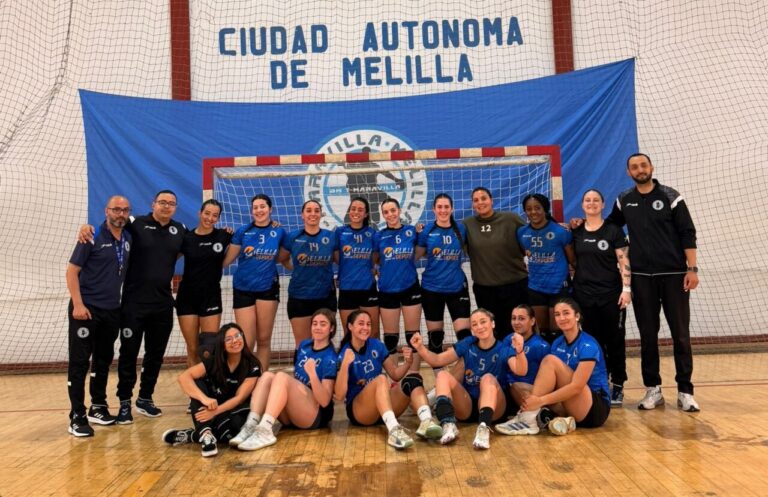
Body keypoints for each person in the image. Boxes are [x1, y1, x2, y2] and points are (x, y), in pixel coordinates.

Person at [80, 190, 186, 422]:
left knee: (155, 354)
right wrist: (87, 227)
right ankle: (125, 402)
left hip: (162, 304)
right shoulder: (135, 222)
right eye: (162, 202)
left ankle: (145, 398)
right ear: (153, 204)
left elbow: (189, 248)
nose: (166, 206)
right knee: (128, 354)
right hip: (133, 305)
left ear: (175, 207)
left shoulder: (180, 230)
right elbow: (110, 224)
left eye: (171, 203)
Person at [606, 153, 700, 412]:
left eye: (643, 165)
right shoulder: (624, 199)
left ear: (651, 167)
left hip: (674, 276)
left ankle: (685, 391)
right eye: (634, 167)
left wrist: (692, 269)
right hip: (641, 278)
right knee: (648, 336)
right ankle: (653, 389)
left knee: (681, 335)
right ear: (629, 172)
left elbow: (687, 233)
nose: (640, 170)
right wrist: (582, 223)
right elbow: (610, 227)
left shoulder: (671, 196)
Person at [410, 308, 526, 450]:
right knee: (442, 375)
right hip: (467, 406)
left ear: (492, 324)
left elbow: (521, 370)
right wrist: (420, 347)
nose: (479, 327)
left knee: (487, 378)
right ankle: (448, 424)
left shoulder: (503, 348)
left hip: (495, 409)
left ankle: (483, 429)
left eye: (483, 322)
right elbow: (437, 360)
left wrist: (520, 350)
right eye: (474, 324)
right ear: (472, 329)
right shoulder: (468, 344)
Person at [65, 195, 132, 436]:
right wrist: (78, 305)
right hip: (86, 310)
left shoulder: (128, 238)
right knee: (80, 362)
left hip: (111, 311)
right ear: (106, 211)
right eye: (116, 209)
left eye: (125, 210)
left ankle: (98, 407)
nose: (120, 214)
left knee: (103, 360)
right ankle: (76, 415)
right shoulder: (90, 236)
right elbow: (71, 272)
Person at [497, 298, 611, 436]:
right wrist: (534, 399)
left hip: (593, 409)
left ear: (577, 316)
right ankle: (557, 419)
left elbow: (577, 387)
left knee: (550, 361)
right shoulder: (557, 343)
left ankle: (529, 418)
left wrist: (540, 401)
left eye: (566, 313)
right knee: (518, 387)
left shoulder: (588, 344)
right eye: (557, 314)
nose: (561, 318)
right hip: (569, 402)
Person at [229, 308, 339, 451]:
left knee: (281, 376)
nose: (317, 327)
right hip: (295, 411)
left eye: (323, 324)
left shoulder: (330, 357)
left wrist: (312, 374)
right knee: (267, 376)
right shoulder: (304, 346)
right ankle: (251, 424)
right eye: (315, 323)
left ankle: (265, 430)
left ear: (331, 328)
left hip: (315, 416)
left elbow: (324, 401)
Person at [334, 309, 442, 450]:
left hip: (383, 409)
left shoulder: (376, 345)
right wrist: (344, 365)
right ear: (350, 326)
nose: (365, 328)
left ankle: (426, 421)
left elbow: (395, 374)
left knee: (413, 378)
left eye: (368, 324)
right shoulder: (344, 353)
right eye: (361, 324)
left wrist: (408, 363)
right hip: (360, 412)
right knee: (381, 379)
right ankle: (394, 430)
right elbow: (339, 395)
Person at [161, 323, 261, 457]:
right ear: (222, 344)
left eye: (238, 335)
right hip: (211, 407)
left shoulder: (252, 364)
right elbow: (183, 378)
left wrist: (215, 412)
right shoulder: (214, 361)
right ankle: (207, 436)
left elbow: (239, 398)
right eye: (228, 339)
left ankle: (193, 435)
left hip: (232, 410)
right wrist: (204, 399)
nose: (235, 341)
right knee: (196, 382)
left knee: (231, 434)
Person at [571, 189, 632, 407]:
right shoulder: (576, 231)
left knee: (614, 340)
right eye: (587, 200)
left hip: (611, 296)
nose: (592, 203)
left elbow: (624, 260)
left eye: (596, 200)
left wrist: (626, 289)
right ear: (582, 205)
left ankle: (618, 384)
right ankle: (600, 382)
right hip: (584, 296)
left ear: (603, 204)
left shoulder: (613, 230)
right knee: (592, 342)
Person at [222, 194, 287, 370]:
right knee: (247, 342)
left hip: (267, 288)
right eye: (255, 207)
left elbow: (285, 258)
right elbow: (226, 260)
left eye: (262, 206)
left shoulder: (279, 231)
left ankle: (263, 379)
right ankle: (246, 380)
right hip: (243, 288)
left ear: (270, 209)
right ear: (251, 211)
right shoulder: (243, 231)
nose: (259, 210)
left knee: (264, 340)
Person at [462, 187, 528, 339]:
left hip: (515, 286)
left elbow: (534, 233)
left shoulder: (511, 219)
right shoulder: (467, 225)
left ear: (491, 200)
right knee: (493, 334)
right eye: (476, 200)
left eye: (484, 198)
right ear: (472, 204)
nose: (480, 202)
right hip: (485, 290)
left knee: (517, 332)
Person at [176, 199, 232, 369]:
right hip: (187, 298)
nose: (210, 218)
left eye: (215, 215)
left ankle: (209, 383)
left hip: (211, 297)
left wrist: (272, 224)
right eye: (207, 213)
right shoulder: (186, 238)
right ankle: (194, 386)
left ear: (218, 218)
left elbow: (248, 238)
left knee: (208, 349)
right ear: (199, 213)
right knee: (193, 349)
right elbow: (166, 259)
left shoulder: (224, 236)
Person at [415, 193, 471, 359]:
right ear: (433, 209)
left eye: (446, 207)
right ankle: (438, 373)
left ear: (452, 209)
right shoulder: (426, 231)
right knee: (435, 337)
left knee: (465, 336)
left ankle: (466, 371)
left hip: (457, 287)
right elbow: (415, 256)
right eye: (439, 207)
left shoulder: (461, 229)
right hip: (431, 288)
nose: (443, 210)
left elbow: (474, 251)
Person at [517, 193, 575, 343]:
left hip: (559, 287)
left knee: (557, 334)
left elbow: (573, 260)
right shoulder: (522, 233)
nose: (533, 212)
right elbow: (524, 253)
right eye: (529, 209)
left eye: (537, 208)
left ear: (545, 209)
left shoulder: (561, 232)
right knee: (541, 334)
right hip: (535, 288)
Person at [280, 200, 337, 346]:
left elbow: (340, 261)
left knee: (324, 342)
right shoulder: (293, 237)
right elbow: (282, 258)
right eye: (309, 210)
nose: (313, 214)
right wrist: (296, 268)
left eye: (317, 210)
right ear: (302, 215)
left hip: (325, 297)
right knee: (303, 344)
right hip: (299, 297)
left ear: (321, 214)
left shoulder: (331, 237)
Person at [373, 198, 422, 366]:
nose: (390, 214)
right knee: (390, 339)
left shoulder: (411, 231)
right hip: (387, 290)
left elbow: (422, 250)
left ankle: (414, 374)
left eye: (393, 210)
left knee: (413, 336)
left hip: (410, 287)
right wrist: (377, 269)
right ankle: (393, 376)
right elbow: (375, 259)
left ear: (399, 211)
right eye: (386, 212)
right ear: (383, 214)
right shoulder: (379, 236)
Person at [497, 304, 551, 422]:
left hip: (530, 392)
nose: (516, 322)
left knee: (517, 386)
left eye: (521, 318)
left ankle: (538, 417)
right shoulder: (508, 339)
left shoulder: (542, 346)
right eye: (513, 318)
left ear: (532, 321)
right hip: (506, 392)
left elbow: (547, 379)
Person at [335, 197, 380, 338]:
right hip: (347, 289)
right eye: (353, 209)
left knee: (373, 333)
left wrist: (374, 267)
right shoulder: (339, 232)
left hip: (368, 288)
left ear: (366, 214)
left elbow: (377, 256)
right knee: (350, 335)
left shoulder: (372, 233)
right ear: (349, 211)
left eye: (360, 210)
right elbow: (335, 257)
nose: (356, 212)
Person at [344, 146, 406, 225]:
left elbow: (385, 173)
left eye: (368, 154)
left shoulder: (374, 165)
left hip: (373, 191)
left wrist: (396, 179)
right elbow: (348, 174)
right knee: (350, 216)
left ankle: (397, 219)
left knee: (379, 215)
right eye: (365, 154)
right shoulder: (355, 166)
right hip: (359, 192)